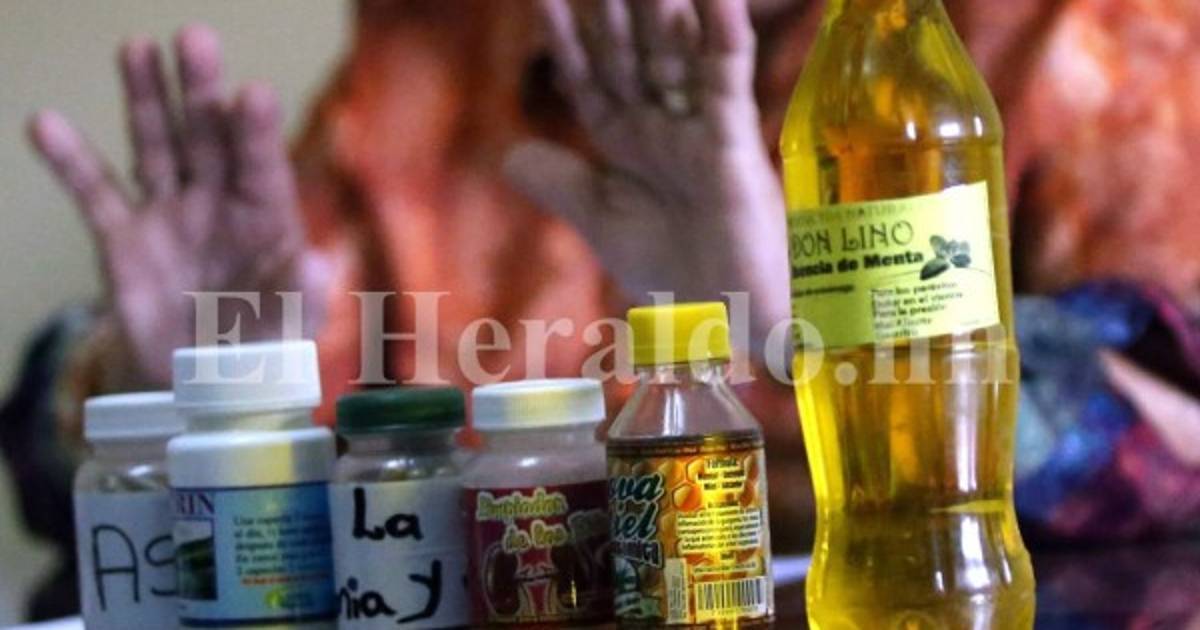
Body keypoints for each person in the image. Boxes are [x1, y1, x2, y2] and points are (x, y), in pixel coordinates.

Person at [4, 0, 1200, 620]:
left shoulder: (1080, 42)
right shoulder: (438, 45)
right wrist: (200, 393)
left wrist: (800, 325)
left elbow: (1182, 433)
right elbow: (301, 482)